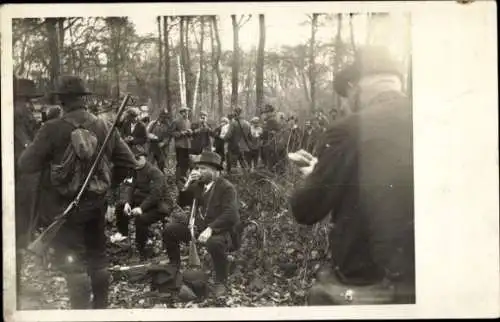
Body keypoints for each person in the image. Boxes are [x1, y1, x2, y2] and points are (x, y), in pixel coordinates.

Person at [289, 45, 415, 305]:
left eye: (345, 97)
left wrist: (314, 176)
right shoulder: (436, 120)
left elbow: (306, 210)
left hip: (372, 281)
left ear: (353, 85)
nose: (347, 105)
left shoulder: (349, 129)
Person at [17, 75, 139, 309]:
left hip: (63, 208)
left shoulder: (51, 129)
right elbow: (128, 162)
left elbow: (25, 164)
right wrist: (107, 184)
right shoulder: (105, 126)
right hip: (96, 206)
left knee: (72, 263)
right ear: (84, 99)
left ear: (62, 101)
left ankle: (80, 312)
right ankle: (100, 308)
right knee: (98, 258)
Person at [162, 151, 240, 296]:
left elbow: (231, 214)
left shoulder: (226, 187)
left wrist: (211, 228)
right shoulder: (199, 185)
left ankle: (221, 280)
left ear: (216, 171)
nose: (199, 172)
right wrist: (187, 183)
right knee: (169, 230)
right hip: (198, 228)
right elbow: (182, 202)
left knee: (214, 243)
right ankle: (174, 265)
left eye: (204, 169)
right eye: (198, 168)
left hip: (221, 230)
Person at [13, 77, 45, 305]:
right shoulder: (15, 116)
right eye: (29, 102)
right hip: (18, 186)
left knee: (20, 236)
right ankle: (14, 289)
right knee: (15, 236)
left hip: (24, 186)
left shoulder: (21, 117)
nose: (32, 107)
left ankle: (16, 286)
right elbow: (27, 152)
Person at [115, 153, 174, 261]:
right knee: (120, 206)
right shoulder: (135, 169)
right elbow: (131, 188)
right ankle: (123, 234)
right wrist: (128, 202)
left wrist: (141, 208)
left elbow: (156, 195)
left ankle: (141, 250)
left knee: (141, 219)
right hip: (144, 200)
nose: (135, 161)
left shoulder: (155, 172)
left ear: (144, 158)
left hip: (160, 204)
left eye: (137, 158)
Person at [224, 107, 251, 173]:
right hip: (243, 147)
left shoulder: (233, 123)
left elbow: (228, 135)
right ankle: (247, 177)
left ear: (235, 112)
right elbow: (250, 136)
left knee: (233, 164)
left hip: (233, 147)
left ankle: (233, 180)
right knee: (243, 163)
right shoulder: (248, 123)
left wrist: (224, 139)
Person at [171, 106, 193, 185]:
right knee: (180, 162)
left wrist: (190, 133)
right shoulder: (176, 121)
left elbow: (190, 135)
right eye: (185, 112)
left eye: (187, 112)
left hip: (187, 145)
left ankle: (183, 177)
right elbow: (172, 133)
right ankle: (177, 179)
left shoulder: (188, 121)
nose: (187, 113)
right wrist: (181, 133)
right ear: (181, 113)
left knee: (186, 162)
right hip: (179, 145)